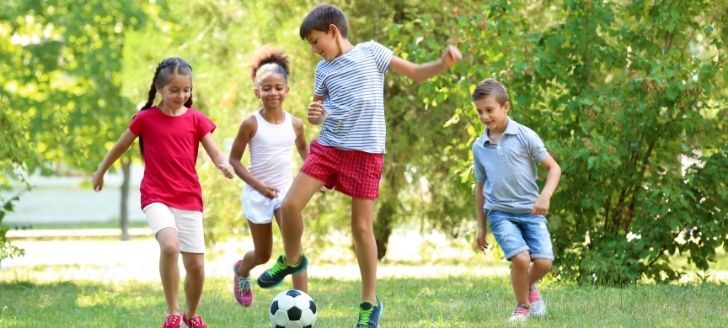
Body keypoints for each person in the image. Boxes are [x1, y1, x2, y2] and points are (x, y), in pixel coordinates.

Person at [255, 4, 462, 328]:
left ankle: (369, 302)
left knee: (362, 229)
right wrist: (316, 115)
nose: (313, 49)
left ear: (333, 31)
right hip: (328, 148)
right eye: (309, 44)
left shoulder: (371, 53)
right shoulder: (323, 70)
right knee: (290, 204)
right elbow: (321, 110)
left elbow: (416, 72)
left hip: (365, 153)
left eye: (315, 40)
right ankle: (292, 259)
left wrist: (442, 63)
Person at [92, 57, 234, 328]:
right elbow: (120, 147)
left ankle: (191, 316)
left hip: (189, 197)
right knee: (170, 245)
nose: (181, 95)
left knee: (196, 267)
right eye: (174, 90)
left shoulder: (196, 119)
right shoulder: (146, 119)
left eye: (186, 90)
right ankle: (172, 311)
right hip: (156, 195)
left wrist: (223, 164)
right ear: (159, 88)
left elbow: (213, 150)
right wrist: (100, 171)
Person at [471, 78, 561, 323]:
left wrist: (545, 195)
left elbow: (554, 168)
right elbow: (480, 187)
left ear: (505, 107)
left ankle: (528, 286)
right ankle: (522, 306)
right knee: (521, 259)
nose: (484, 116)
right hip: (499, 212)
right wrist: (481, 226)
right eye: (480, 111)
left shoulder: (524, 136)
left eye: (489, 110)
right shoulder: (479, 146)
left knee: (543, 263)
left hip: (531, 211)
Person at [228, 47, 310, 307]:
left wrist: (313, 178)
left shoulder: (295, 124)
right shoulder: (251, 124)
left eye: (278, 87)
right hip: (257, 193)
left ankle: (304, 301)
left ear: (287, 90)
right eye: (266, 88)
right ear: (256, 91)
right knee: (263, 254)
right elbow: (234, 160)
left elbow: (305, 151)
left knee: (294, 248)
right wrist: (260, 186)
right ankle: (242, 270)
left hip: (286, 193)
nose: (272, 93)